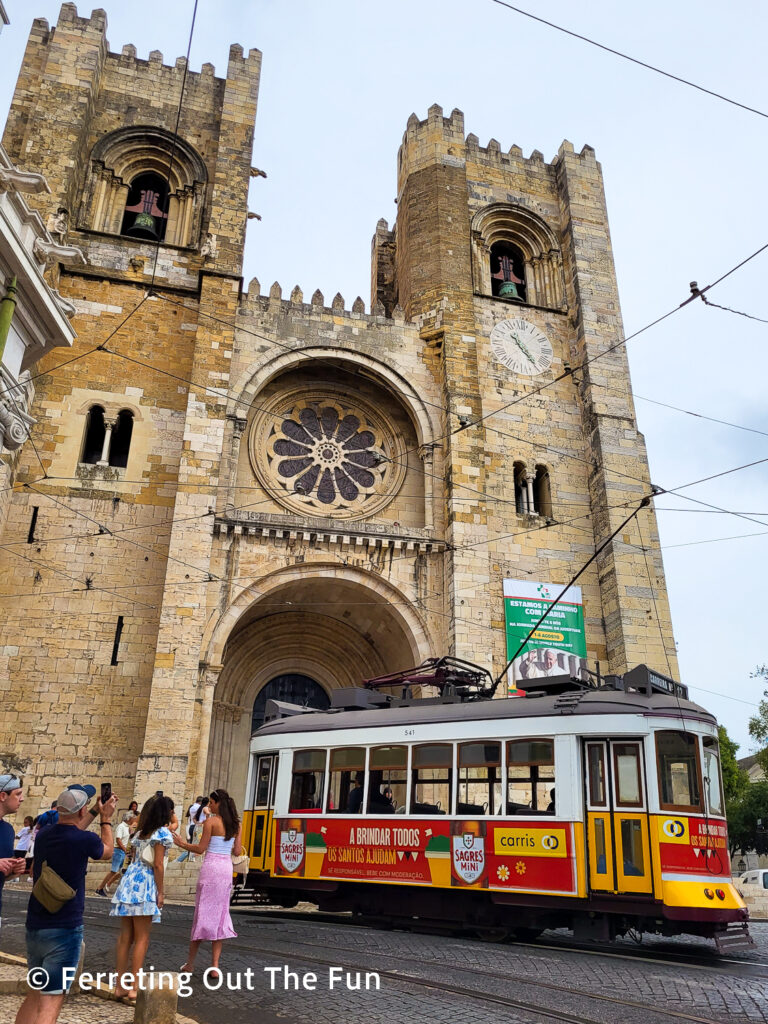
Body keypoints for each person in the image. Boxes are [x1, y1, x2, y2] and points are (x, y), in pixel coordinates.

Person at [15, 784, 116, 1024]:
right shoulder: (85, 840)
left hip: (35, 925)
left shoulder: (45, 835)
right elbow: (108, 851)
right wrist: (106, 819)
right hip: (64, 929)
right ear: (81, 812)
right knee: (52, 999)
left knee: (34, 993)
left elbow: (71, 829)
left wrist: (92, 811)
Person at [109, 795, 174, 1002]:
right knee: (142, 938)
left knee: (125, 937)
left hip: (129, 882)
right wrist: (161, 891)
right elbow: (158, 865)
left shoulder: (140, 833)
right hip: (145, 883)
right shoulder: (161, 833)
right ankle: (134, 988)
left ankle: (119, 986)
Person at [172, 789, 243, 976]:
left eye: (211, 802)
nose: (209, 806)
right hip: (226, 869)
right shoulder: (236, 825)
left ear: (218, 803)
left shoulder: (210, 822)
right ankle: (215, 966)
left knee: (201, 914)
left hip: (211, 868)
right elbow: (237, 852)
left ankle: (190, 963)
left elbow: (201, 848)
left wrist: (182, 844)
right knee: (220, 914)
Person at [0, 775, 26, 932]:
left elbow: (3, 875)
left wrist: (14, 871)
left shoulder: (8, 830)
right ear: (3, 796)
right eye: (18, 794)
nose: (22, 799)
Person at [95, 812, 132, 897]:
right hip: (119, 851)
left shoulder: (128, 828)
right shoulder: (121, 826)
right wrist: (125, 850)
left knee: (124, 870)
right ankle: (100, 888)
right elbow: (118, 840)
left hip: (124, 852)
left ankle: (110, 884)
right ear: (129, 818)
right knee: (113, 871)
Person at [176, 798, 209, 864]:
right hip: (201, 827)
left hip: (195, 827)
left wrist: (197, 823)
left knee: (194, 843)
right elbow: (207, 813)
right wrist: (206, 821)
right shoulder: (205, 808)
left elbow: (193, 818)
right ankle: (195, 859)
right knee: (199, 844)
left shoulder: (198, 808)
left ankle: (191, 858)